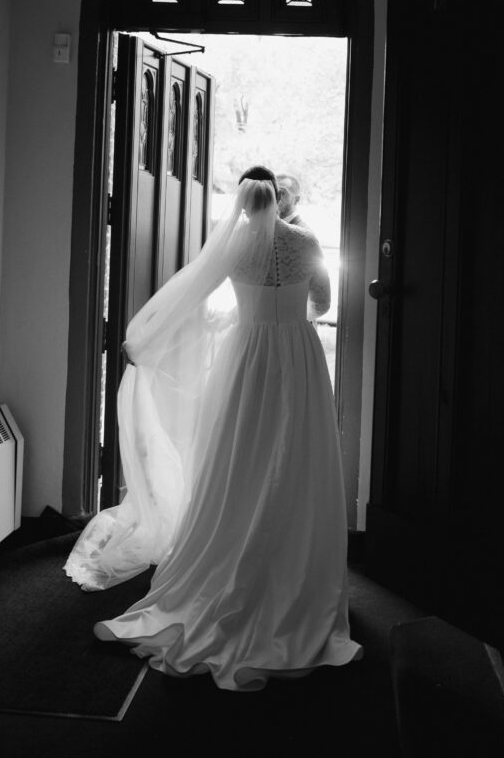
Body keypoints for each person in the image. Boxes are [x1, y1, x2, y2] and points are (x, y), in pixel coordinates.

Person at [64, 165, 361, 691]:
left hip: (247, 356)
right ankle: (297, 566)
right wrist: (292, 312)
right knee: (297, 454)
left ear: (244, 205)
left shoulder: (232, 248)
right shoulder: (306, 239)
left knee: (239, 455)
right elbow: (324, 303)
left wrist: (153, 340)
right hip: (297, 354)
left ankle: (229, 550)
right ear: (280, 197)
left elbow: (191, 296)